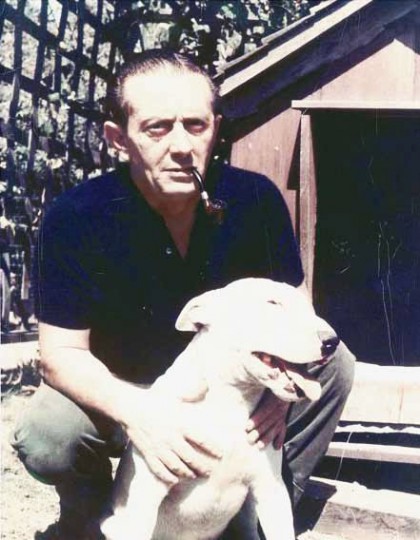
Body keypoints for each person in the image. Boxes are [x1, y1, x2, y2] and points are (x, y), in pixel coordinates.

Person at [12, 49, 355, 539]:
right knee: (48, 433)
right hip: (120, 389)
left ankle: (243, 515)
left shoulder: (254, 199)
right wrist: (141, 414)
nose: (181, 147)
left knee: (335, 365)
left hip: (227, 388)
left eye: (195, 126)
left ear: (216, 129)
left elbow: (301, 315)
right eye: (157, 128)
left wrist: (282, 396)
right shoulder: (75, 216)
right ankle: (94, 523)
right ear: (118, 139)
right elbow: (60, 355)